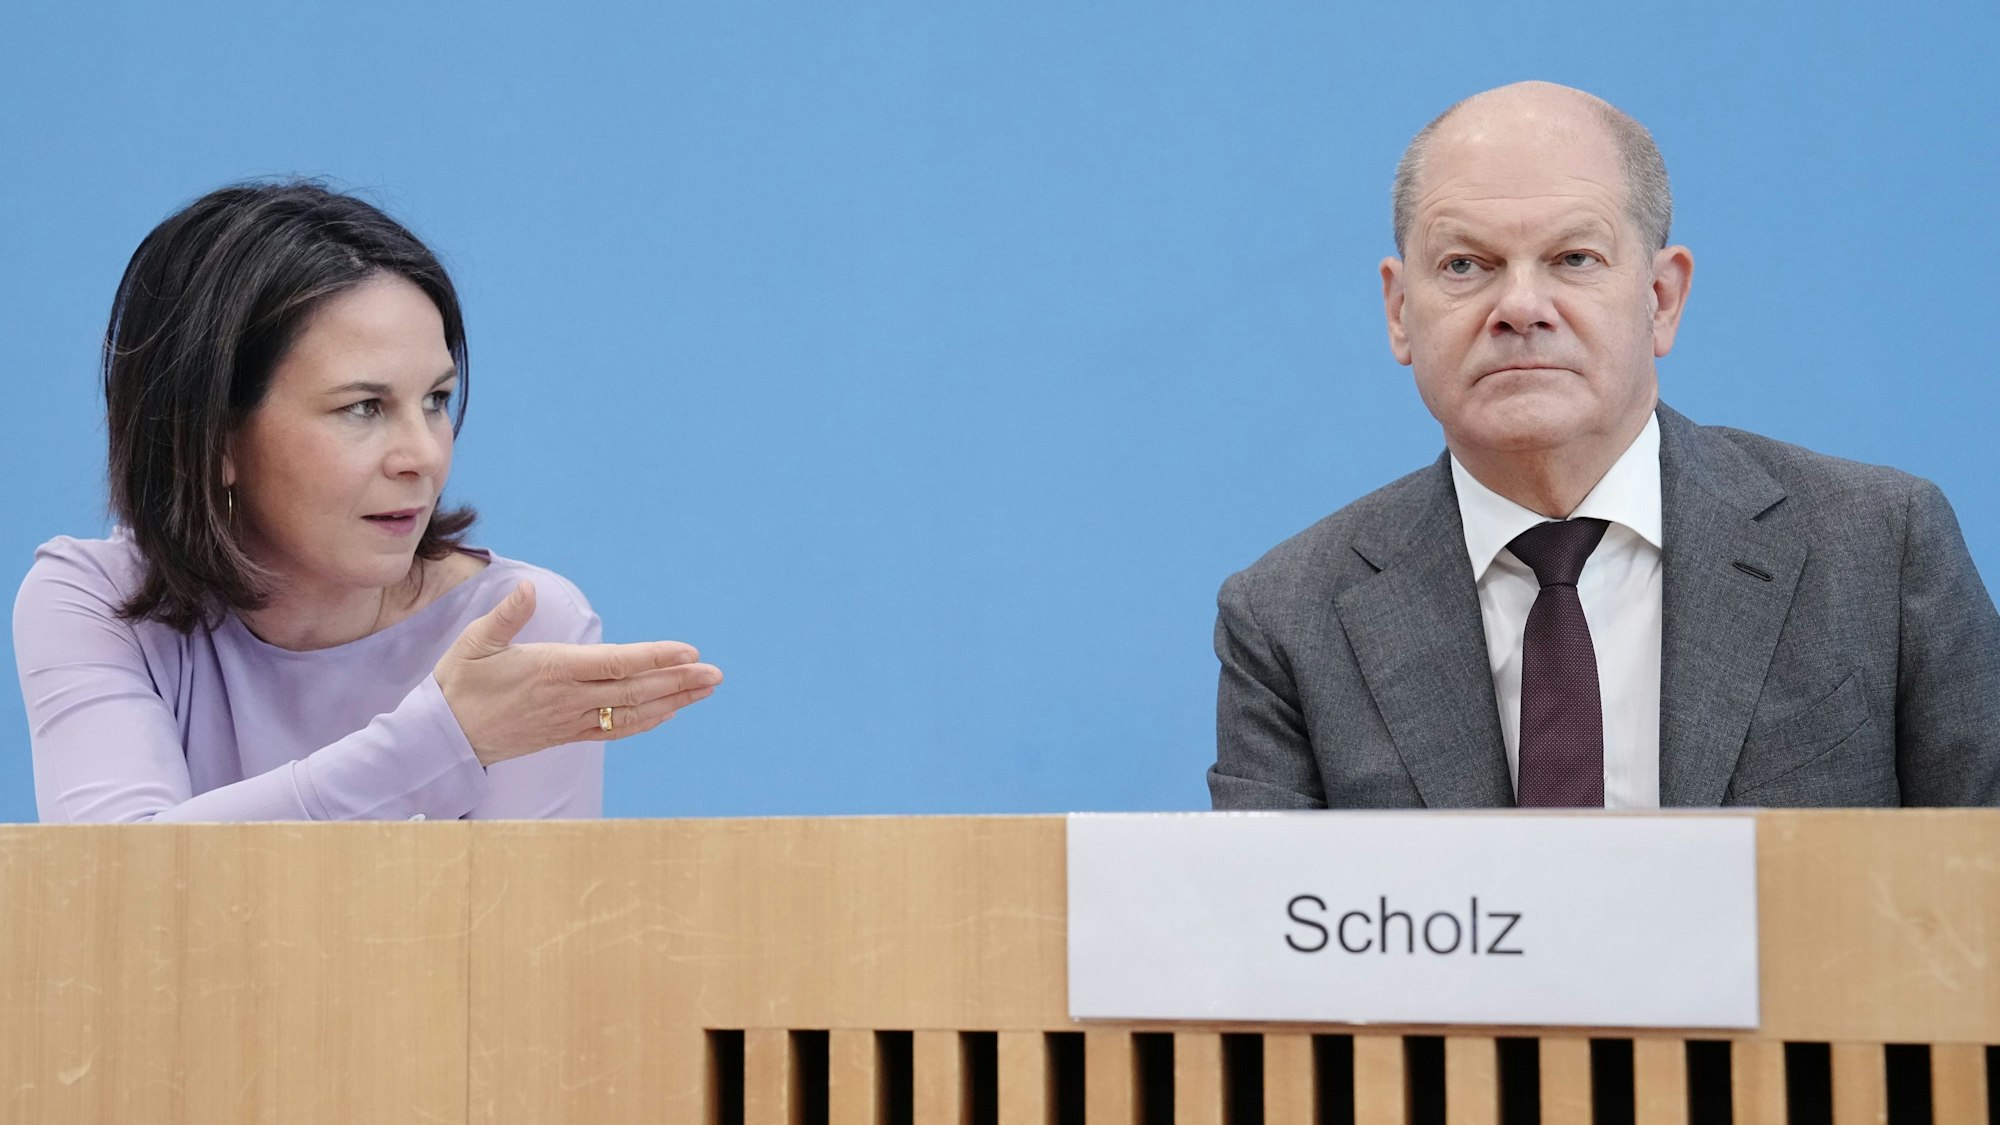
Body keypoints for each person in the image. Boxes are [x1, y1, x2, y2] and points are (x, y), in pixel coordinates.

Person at [1210, 81, 2000, 810]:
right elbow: (1263, 943)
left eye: (1573, 259)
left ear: (1661, 298)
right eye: (1465, 265)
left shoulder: (1879, 547)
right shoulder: (1289, 617)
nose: (1520, 306)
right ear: (1398, 309)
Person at [14, 181, 723, 822]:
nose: (423, 456)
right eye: (363, 408)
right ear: (215, 437)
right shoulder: (91, 601)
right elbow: (115, 891)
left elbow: (521, 958)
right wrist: (444, 741)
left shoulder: (524, 631)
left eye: (437, 399)